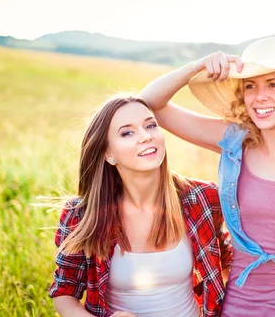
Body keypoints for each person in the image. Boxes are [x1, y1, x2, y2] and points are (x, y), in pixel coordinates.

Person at [139, 37, 275, 316]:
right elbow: (149, 104)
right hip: (242, 301)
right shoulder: (233, 141)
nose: (260, 96)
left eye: (274, 84)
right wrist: (194, 67)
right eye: (250, 86)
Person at [48, 95, 233, 317]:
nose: (146, 137)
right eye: (127, 132)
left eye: (151, 125)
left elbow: (227, 266)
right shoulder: (82, 215)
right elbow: (64, 294)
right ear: (108, 153)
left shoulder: (202, 198)